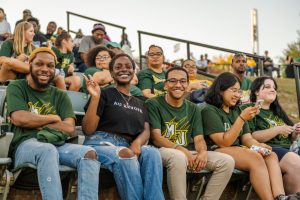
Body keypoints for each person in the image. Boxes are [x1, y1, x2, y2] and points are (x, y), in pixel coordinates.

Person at [7, 47, 100, 200]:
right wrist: (54, 118)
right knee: (47, 150)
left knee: (89, 153)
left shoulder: (60, 95)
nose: (45, 69)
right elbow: (19, 118)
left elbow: (69, 128)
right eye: (39, 64)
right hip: (25, 145)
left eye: (50, 66)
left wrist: (35, 122)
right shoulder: (17, 87)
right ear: (30, 65)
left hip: (58, 144)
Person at [202, 72, 297, 200]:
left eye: (239, 91)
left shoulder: (236, 110)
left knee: (270, 155)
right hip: (218, 149)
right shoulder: (210, 110)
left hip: (238, 148)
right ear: (220, 90)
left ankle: (280, 196)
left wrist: (259, 146)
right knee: (255, 158)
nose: (237, 95)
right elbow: (223, 142)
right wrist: (242, 119)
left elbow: (247, 138)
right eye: (233, 90)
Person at [82, 53, 164, 200]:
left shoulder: (141, 101)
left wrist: (137, 143)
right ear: (112, 73)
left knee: (152, 153)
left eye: (128, 66)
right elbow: (88, 129)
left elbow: (146, 129)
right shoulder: (104, 94)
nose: (123, 70)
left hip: (128, 144)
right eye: (118, 67)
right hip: (100, 143)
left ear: (133, 72)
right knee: (125, 154)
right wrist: (95, 98)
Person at [146, 67, 235, 200]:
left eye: (182, 81)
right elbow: (156, 137)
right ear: (165, 84)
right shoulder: (153, 103)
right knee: (178, 157)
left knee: (226, 161)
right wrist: (184, 152)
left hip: (187, 152)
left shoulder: (193, 108)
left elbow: (199, 138)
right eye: (173, 81)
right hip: (162, 151)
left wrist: (203, 152)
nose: (178, 85)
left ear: (188, 85)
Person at [249, 76, 300, 195]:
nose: (273, 90)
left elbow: (290, 138)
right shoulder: (251, 110)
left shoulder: (277, 112)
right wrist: (278, 129)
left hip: (288, 149)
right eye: (267, 87)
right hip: (269, 149)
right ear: (256, 91)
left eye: (274, 88)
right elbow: (251, 136)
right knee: (296, 162)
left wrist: (294, 132)